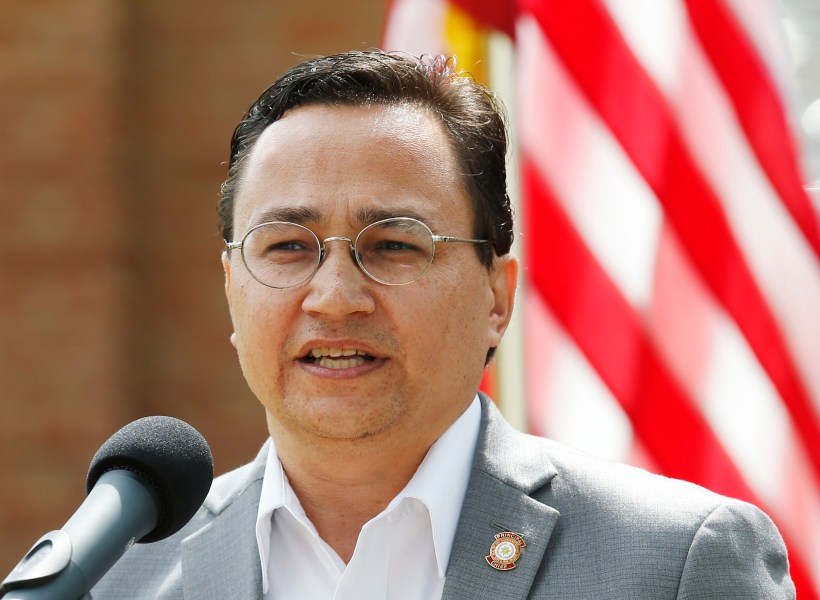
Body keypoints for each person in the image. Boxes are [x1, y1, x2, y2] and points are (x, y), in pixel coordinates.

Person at [91, 50, 794, 599]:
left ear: (497, 295)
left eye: (394, 245)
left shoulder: (674, 563)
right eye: (287, 247)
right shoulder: (110, 579)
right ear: (232, 291)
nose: (335, 298)